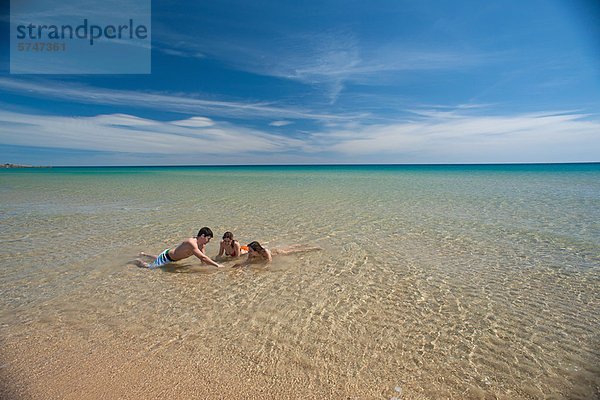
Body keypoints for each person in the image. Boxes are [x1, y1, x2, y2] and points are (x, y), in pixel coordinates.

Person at [135, 227, 223, 268]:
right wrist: (217, 265)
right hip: (167, 257)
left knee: (158, 257)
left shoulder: (201, 245)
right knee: (149, 267)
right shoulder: (191, 243)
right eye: (208, 239)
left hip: (172, 257)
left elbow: (203, 259)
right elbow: (203, 257)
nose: (209, 241)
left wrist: (205, 269)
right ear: (202, 236)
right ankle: (137, 261)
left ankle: (144, 254)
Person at [234, 241, 321, 267]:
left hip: (277, 253)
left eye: (251, 250)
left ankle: (310, 247)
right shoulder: (251, 254)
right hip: (271, 252)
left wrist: (263, 267)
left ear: (256, 250)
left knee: (292, 251)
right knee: (291, 247)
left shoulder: (265, 252)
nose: (249, 252)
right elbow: (247, 262)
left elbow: (269, 261)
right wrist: (240, 266)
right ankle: (302, 244)